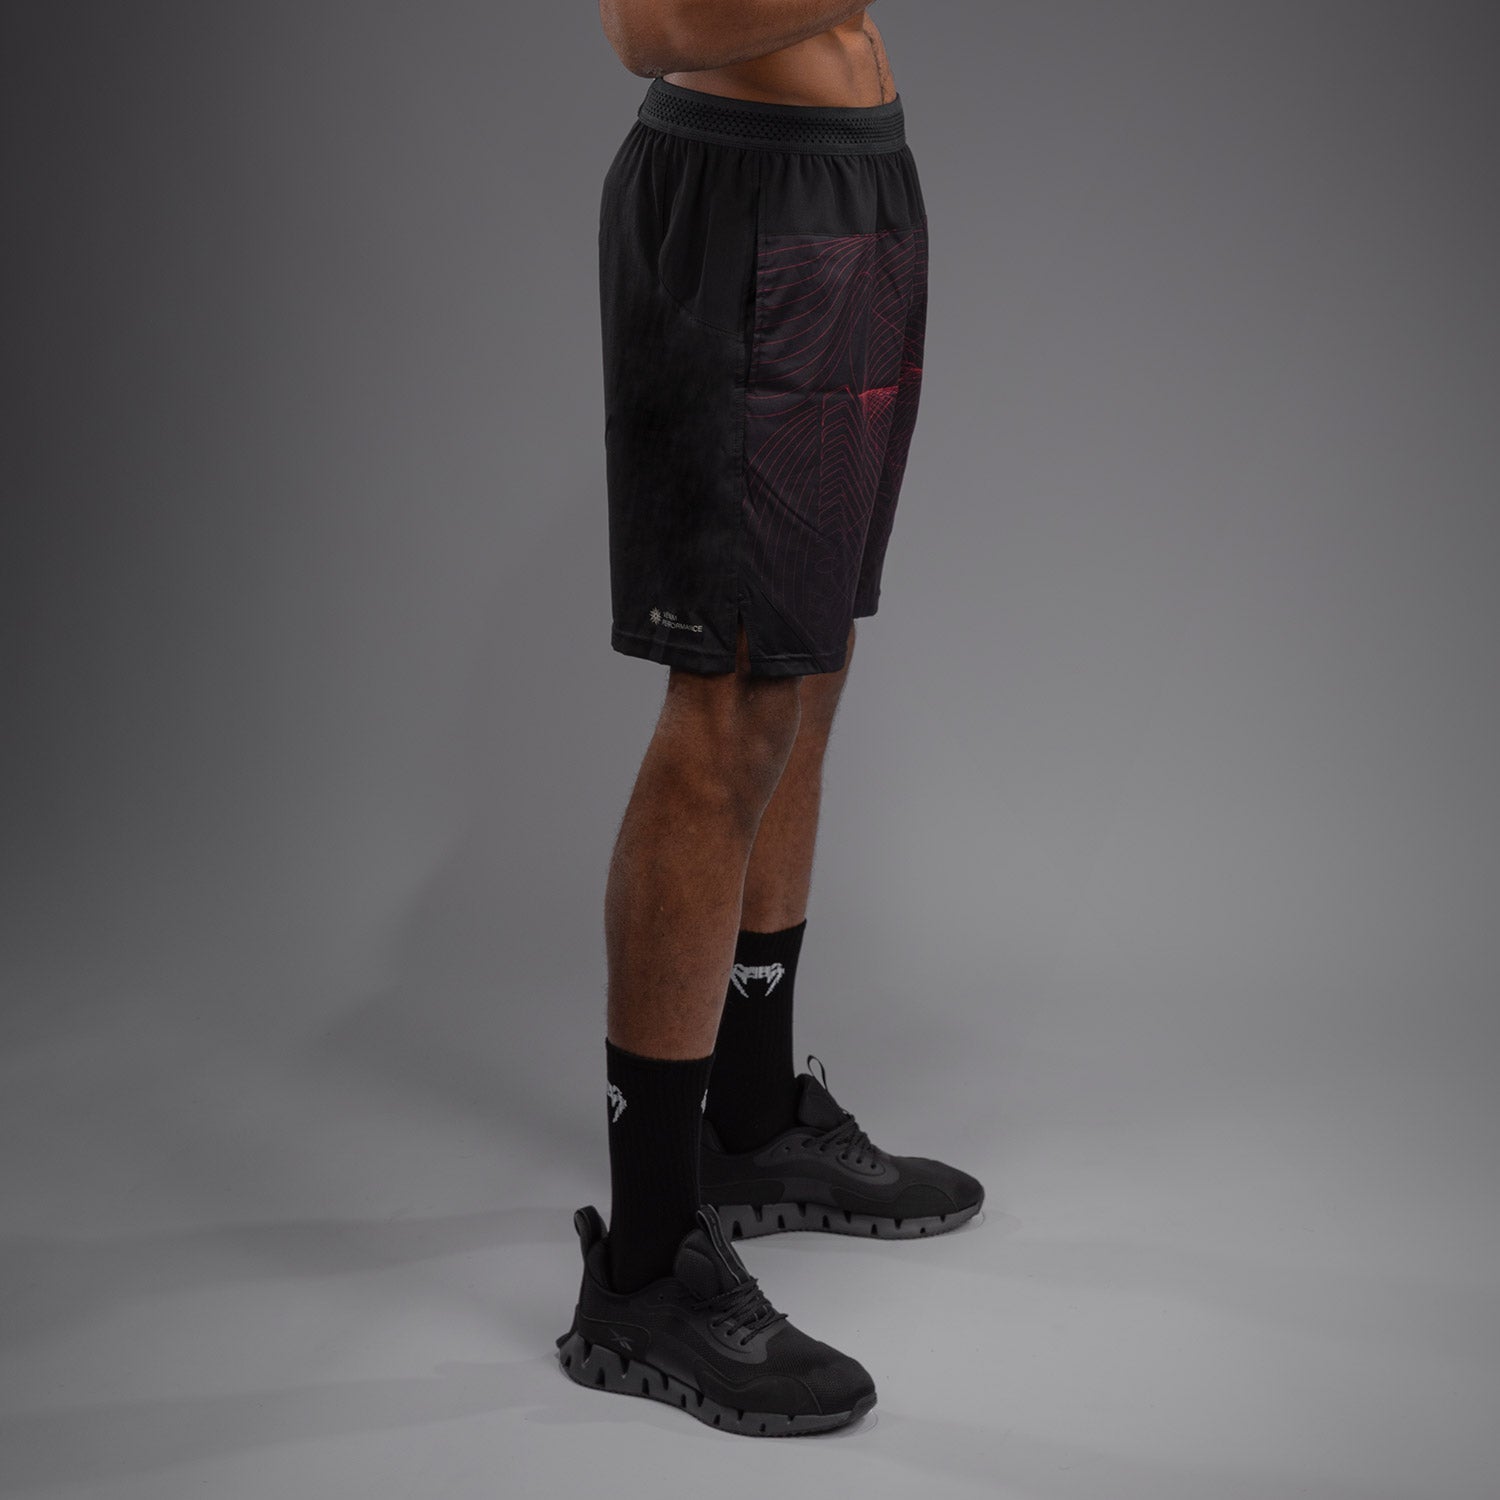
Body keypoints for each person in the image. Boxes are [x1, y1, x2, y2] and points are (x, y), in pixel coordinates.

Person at [557, 2, 983, 1435]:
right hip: (739, 197)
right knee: (734, 695)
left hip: (852, 182)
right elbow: (653, 22)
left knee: (809, 657)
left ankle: (749, 1118)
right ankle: (644, 1269)